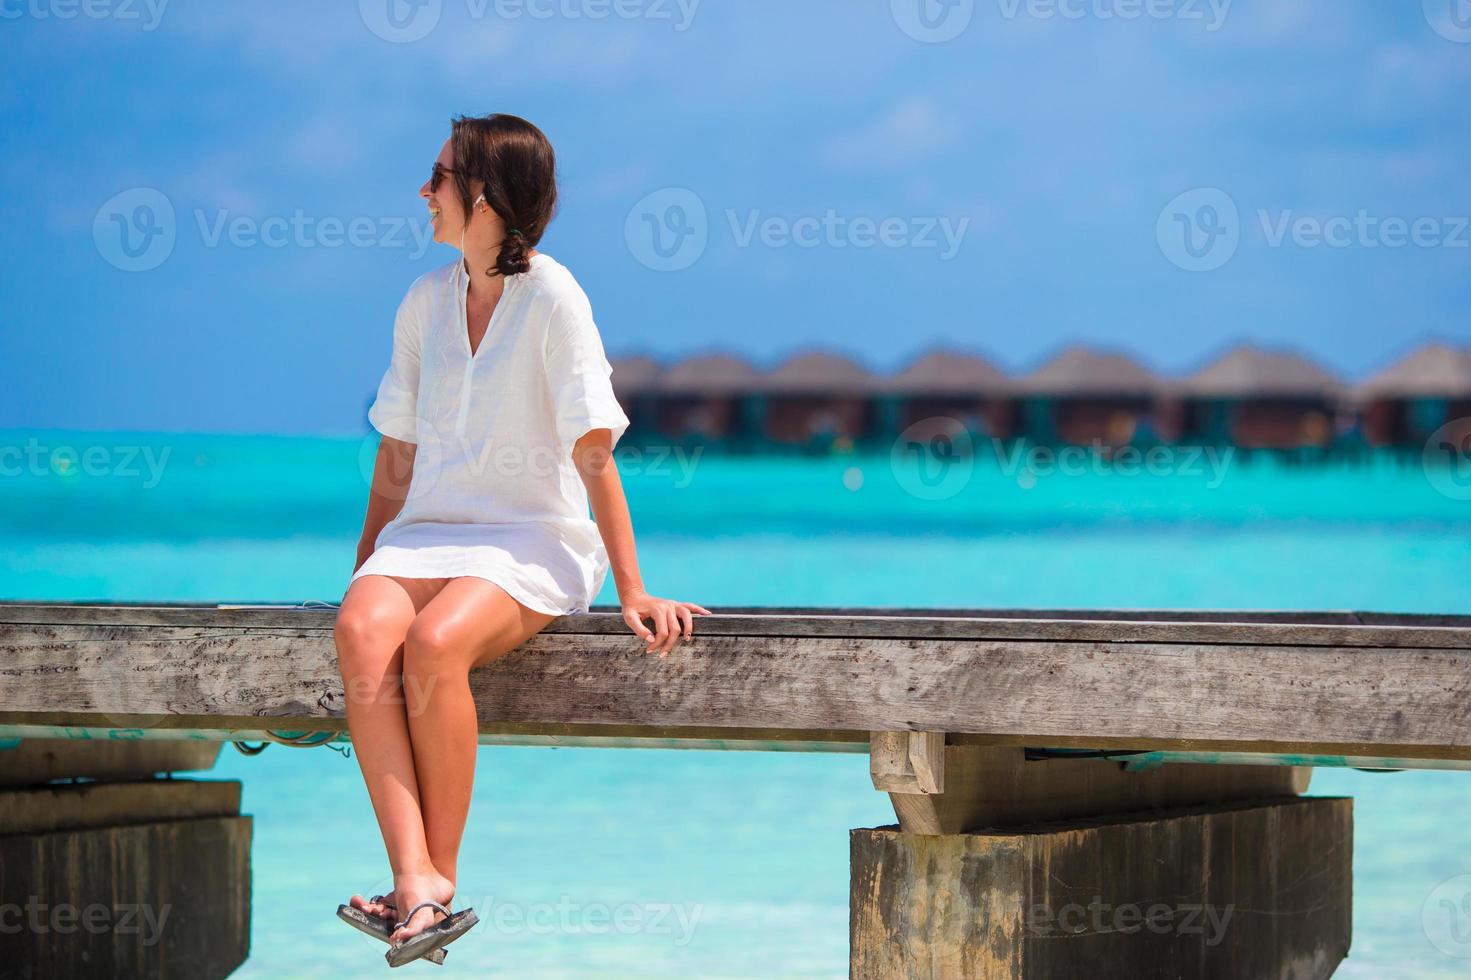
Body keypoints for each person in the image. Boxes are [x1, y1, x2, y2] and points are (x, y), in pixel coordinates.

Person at [333, 112, 710, 967]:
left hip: (530, 539)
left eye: (437, 177)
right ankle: (410, 876)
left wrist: (632, 588)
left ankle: (438, 882)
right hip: (423, 535)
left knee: (434, 646)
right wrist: (366, 569)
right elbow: (396, 452)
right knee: (361, 630)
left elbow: (592, 451)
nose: (423, 192)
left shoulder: (554, 297)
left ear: (485, 196)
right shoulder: (424, 301)